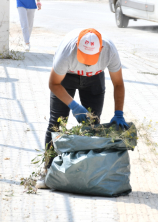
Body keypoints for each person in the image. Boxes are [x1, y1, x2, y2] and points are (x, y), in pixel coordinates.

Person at [36, 28, 129, 189]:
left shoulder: (109, 50)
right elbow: (53, 83)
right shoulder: (67, 51)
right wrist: (74, 106)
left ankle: (87, 172)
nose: (86, 63)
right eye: (84, 57)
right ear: (77, 47)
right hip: (66, 78)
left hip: (95, 79)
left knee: (92, 125)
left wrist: (119, 113)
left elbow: (118, 83)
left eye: (90, 58)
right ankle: (48, 170)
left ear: (100, 50)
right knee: (56, 124)